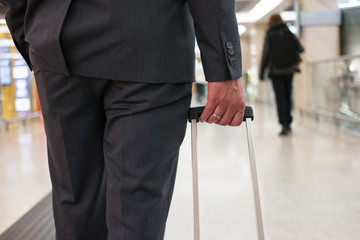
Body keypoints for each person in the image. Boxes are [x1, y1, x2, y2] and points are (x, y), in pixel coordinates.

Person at [0, 0, 246, 239]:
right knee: (136, 212)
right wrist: (223, 67)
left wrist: (34, 36)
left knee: (76, 208)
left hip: (56, 39)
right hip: (150, 38)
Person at [259, 14, 304, 136]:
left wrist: (261, 73)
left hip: (276, 71)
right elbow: (301, 48)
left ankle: (284, 124)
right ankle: (289, 122)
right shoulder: (288, 31)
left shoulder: (269, 34)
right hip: (289, 70)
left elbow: (265, 54)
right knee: (288, 95)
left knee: (280, 98)